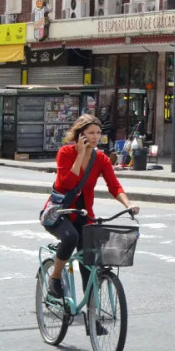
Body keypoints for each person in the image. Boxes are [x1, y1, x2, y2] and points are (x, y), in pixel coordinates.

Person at [44, 115, 138, 305]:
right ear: (80, 135)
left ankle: (92, 317)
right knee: (71, 237)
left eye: (98, 133)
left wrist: (128, 205)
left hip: (84, 215)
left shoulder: (101, 159)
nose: (95, 137)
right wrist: (80, 155)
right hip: (59, 213)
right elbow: (66, 184)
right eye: (90, 133)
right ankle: (54, 278)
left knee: (90, 262)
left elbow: (114, 186)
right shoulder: (65, 153)